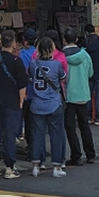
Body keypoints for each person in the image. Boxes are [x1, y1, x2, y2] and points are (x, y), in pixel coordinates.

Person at [0, 29, 27, 179]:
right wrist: (21, 102)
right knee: (10, 134)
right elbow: (22, 86)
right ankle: (9, 167)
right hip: (12, 102)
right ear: (14, 43)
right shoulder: (17, 62)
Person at [27, 37, 67, 178]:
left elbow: (30, 76)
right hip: (53, 103)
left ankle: (36, 166)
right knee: (55, 135)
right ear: (52, 49)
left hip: (37, 104)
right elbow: (63, 77)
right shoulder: (56, 65)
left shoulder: (32, 64)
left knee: (37, 135)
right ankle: (56, 166)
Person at [62, 29, 96, 166]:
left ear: (64, 40)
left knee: (70, 127)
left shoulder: (61, 56)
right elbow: (90, 73)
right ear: (76, 40)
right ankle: (90, 154)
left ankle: (76, 156)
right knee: (84, 125)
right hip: (83, 94)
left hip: (68, 96)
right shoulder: (85, 55)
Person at [18, 29, 39, 157]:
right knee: (33, 123)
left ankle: (23, 140)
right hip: (36, 93)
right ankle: (33, 148)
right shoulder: (39, 53)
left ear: (24, 41)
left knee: (21, 119)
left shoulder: (21, 54)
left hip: (23, 92)